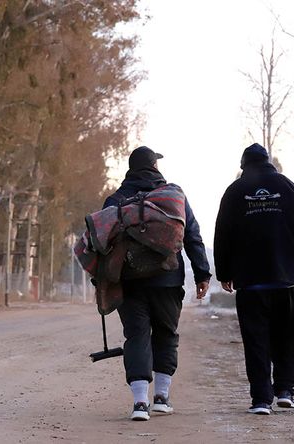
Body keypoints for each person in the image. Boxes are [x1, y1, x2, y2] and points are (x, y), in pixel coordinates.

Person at [104, 146, 212, 421]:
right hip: (167, 280)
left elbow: (100, 244)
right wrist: (202, 273)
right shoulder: (173, 196)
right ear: (155, 167)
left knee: (137, 336)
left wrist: (102, 281)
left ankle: (140, 403)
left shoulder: (115, 200)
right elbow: (192, 236)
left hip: (129, 282)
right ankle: (162, 398)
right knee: (166, 334)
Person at [213, 143, 294, 415]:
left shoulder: (234, 192)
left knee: (256, 341)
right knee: (285, 338)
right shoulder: (288, 188)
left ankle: (261, 399)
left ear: (243, 166)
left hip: (251, 284)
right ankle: (285, 390)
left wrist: (224, 273)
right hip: (286, 280)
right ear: (268, 162)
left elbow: (222, 236)